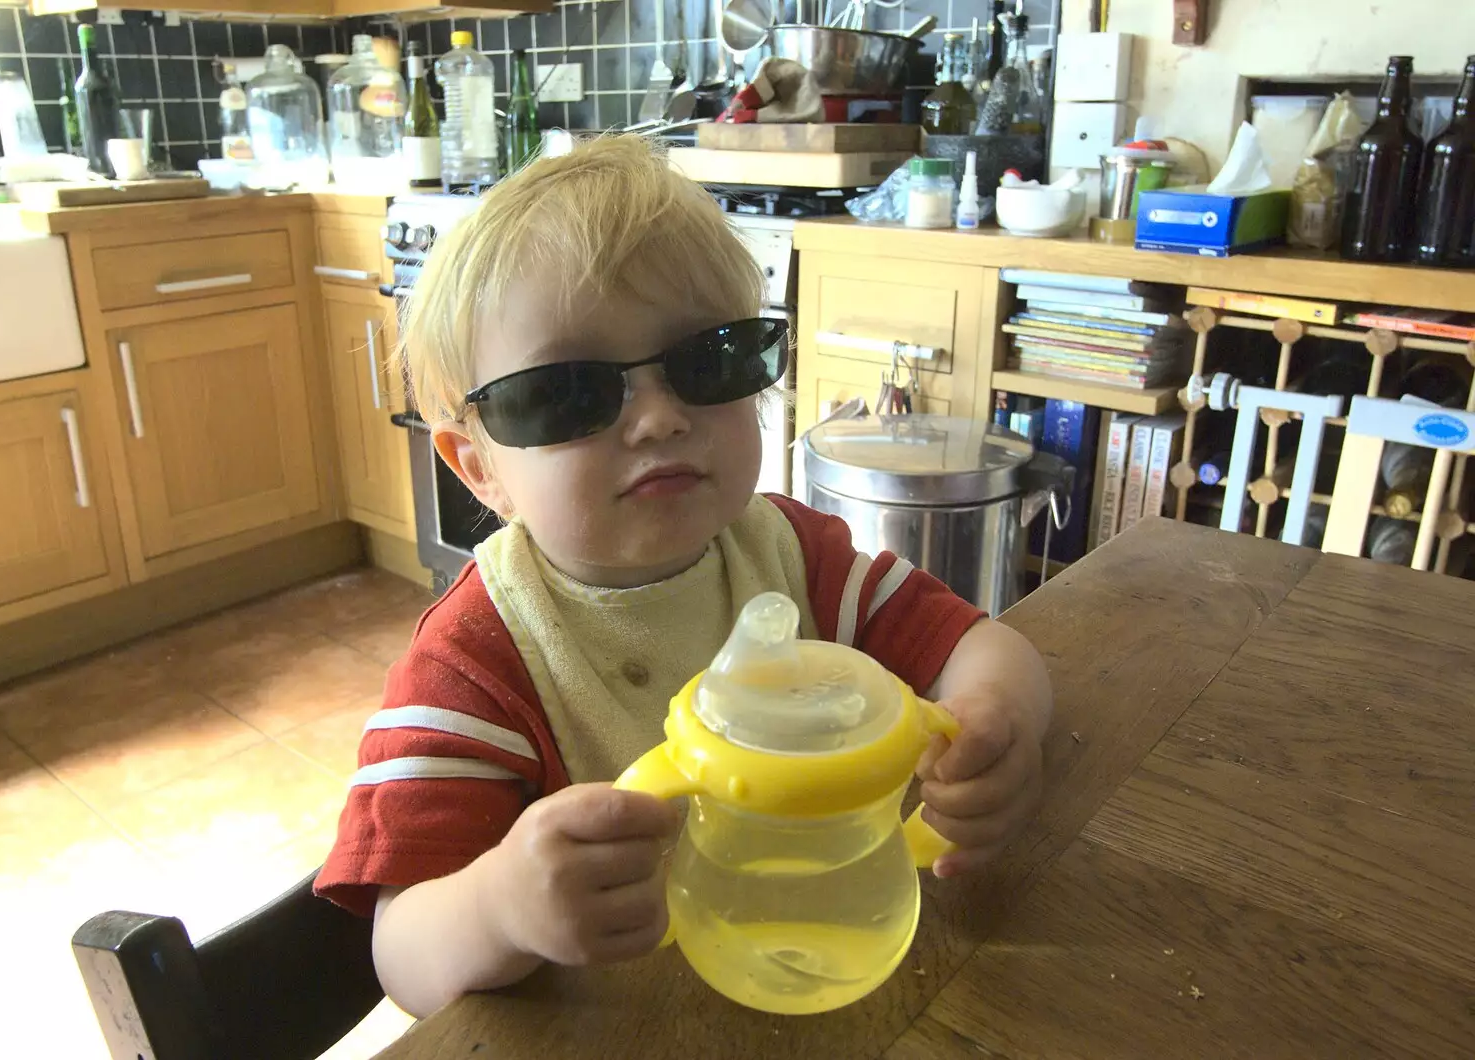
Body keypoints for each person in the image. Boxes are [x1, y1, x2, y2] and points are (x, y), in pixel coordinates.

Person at [315, 135, 1052, 1018]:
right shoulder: (478, 663)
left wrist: (994, 732)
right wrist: (499, 905)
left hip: (837, 977)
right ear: (479, 469)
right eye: (568, 391)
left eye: (708, 360)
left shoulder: (796, 558)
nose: (660, 418)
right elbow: (401, 953)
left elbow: (987, 651)